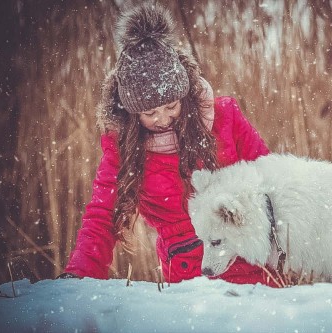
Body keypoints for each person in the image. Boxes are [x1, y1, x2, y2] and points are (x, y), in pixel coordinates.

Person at [62, 4, 275, 286]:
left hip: (255, 269)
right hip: (191, 283)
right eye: (150, 113)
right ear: (132, 113)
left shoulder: (225, 118)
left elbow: (273, 180)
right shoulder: (122, 148)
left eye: (171, 106)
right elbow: (102, 216)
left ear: (183, 95)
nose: (163, 119)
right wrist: (78, 275)